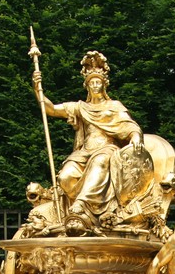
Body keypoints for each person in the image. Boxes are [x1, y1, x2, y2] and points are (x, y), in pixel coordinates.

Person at [32, 51, 145, 234]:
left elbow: (129, 125)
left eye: (98, 82)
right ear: (87, 86)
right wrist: (37, 89)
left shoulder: (114, 106)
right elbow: (51, 109)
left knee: (99, 163)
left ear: (103, 85)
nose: (95, 85)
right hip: (84, 151)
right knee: (65, 177)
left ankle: (81, 205)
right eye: (91, 82)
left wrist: (136, 137)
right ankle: (87, 216)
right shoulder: (80, 107)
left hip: (107, 148)